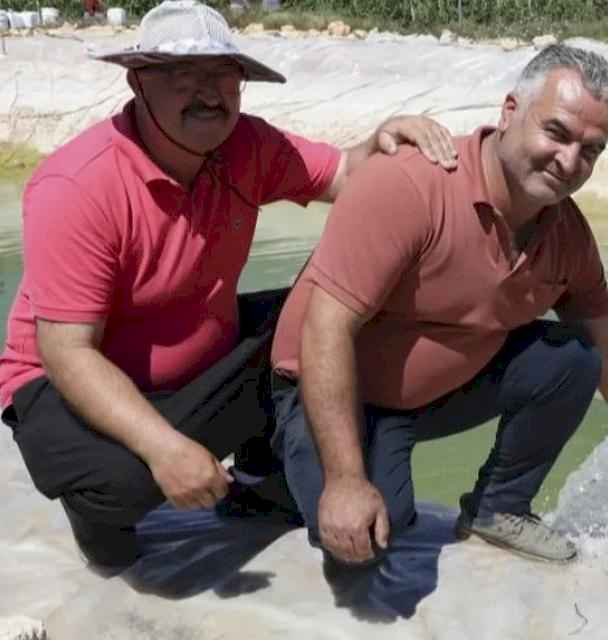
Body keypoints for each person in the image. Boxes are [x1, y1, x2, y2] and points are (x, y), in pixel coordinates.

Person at [0, 0, 456, 575]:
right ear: (138, 82)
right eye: (182, 75)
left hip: (197, 359)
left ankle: (260, 478)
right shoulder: (79, 184)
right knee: (124, 483)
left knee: (318, 318)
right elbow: (66, 351)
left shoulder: (248, 147)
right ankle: (96, 510)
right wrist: (166, 449)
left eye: (223, 74)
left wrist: (389, 139)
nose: (208, 92)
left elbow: (345, 174)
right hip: (62, 380)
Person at [268, 43, 608, 570]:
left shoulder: (567, 234)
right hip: (326, 389)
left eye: (591, 150)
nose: (569, 162)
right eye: (557, 133)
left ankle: (499, 508)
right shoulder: (411, 184)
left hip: (418, 401)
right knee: (370, 541)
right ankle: (269, 462)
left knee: (575, 355)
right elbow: (325, 328)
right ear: (510, 111)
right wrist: (343, 481)